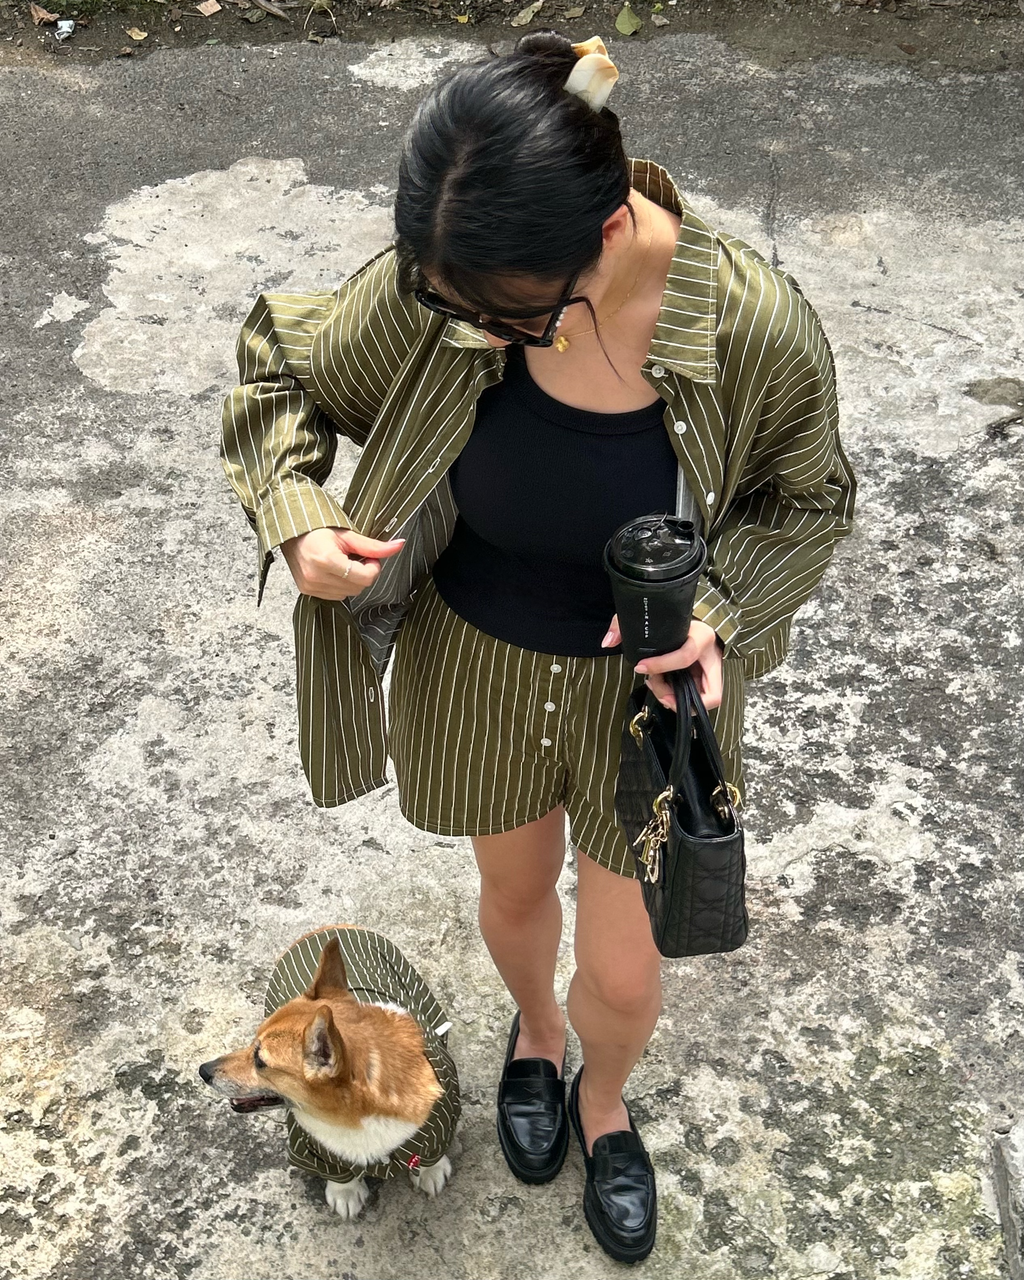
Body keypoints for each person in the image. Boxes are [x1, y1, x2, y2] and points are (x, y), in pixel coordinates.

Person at [220, 31, 855, 1263]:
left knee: (623, 968)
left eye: (513, 314)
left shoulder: (753, 329)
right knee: (510, 895)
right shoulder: (463, 279)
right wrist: (297, 517)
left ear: (608, 234)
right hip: (478, 659)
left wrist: (722, 607)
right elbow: (280, 365)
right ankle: (533, 1039)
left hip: (651, 704)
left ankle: (602, 1100)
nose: (478, 333)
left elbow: (810, 498)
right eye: (451, 304)